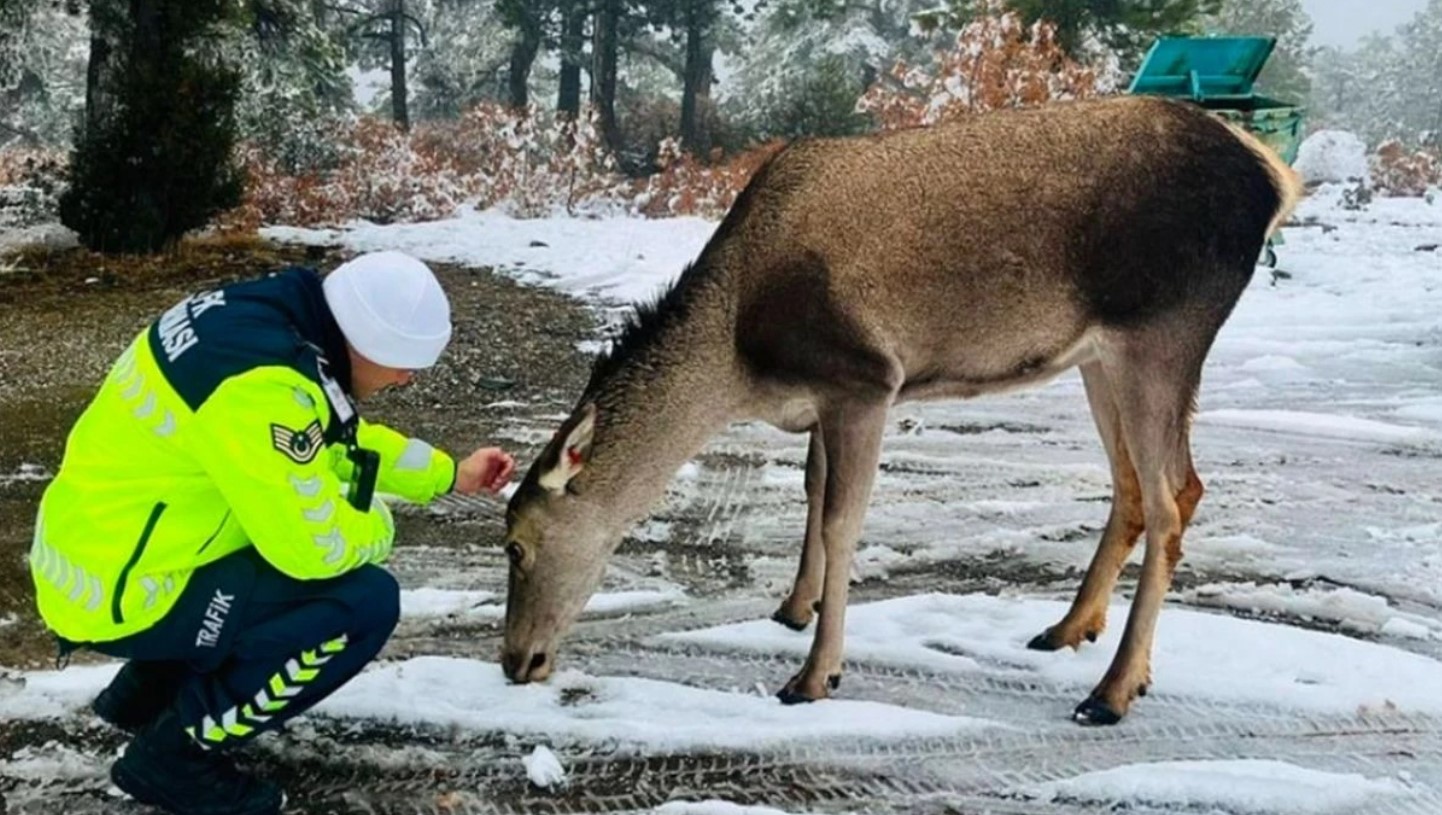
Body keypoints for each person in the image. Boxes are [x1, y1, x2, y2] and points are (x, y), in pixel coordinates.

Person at [28, 250, 514, 815]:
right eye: (404, 363)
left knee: (266, 540)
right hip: (125, 593)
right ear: (369, 341)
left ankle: (142, 696)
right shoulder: (262, 391)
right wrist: (378, 526)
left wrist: (449, 474)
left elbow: (335, 440)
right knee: (360, 603)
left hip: (102, 552)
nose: (408, 378)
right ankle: (175, 756)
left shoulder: (263, 326)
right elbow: (315, 548)